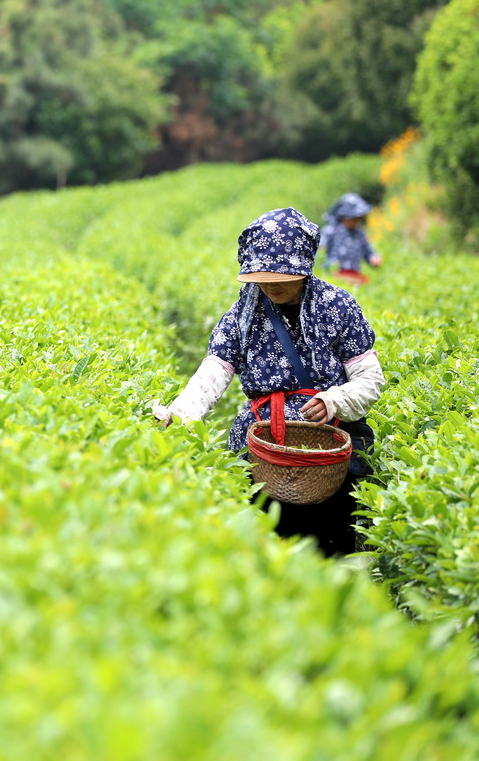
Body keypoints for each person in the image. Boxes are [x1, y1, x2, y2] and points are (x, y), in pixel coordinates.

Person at [153, 207, 385, 556]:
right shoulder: (241, 315)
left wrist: (333, 400)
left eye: (282, 275)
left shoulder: (337, 306)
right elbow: (215, 370)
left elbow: (369, 378)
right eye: (263, 275)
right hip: (264, 446)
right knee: (267, 546)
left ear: (304, 270)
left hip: (327, 448)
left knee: (328, 545)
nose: (272, 283)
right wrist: (181, 413)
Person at [319, 192, 382, 285]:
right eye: (354, 217)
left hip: (354, 276)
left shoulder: (359, 233)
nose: (357, 220)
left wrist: (373, 258)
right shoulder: (331, 230)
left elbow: (368, 251)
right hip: (334, 276)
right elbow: (319, 250)